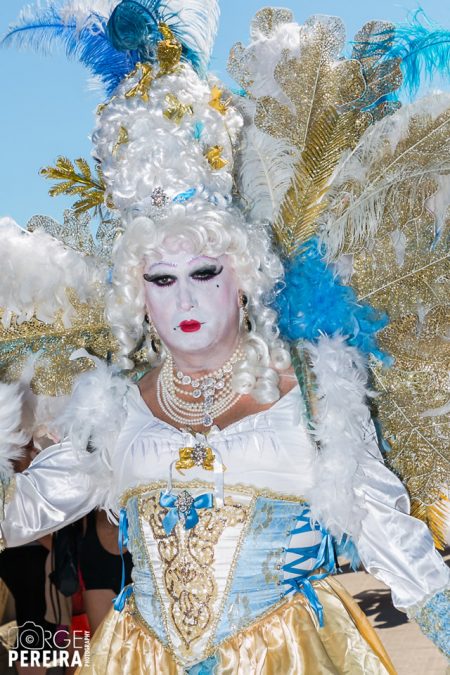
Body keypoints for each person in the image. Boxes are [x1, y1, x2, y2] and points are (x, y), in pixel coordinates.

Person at [1, 1, 449, 673]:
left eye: (204, 272)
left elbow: (394, 540)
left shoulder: (315, 396)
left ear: (244, 274)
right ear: (137, 295)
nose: (183, 298)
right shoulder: (113, 410)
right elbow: (20, 512)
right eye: (160, 279)